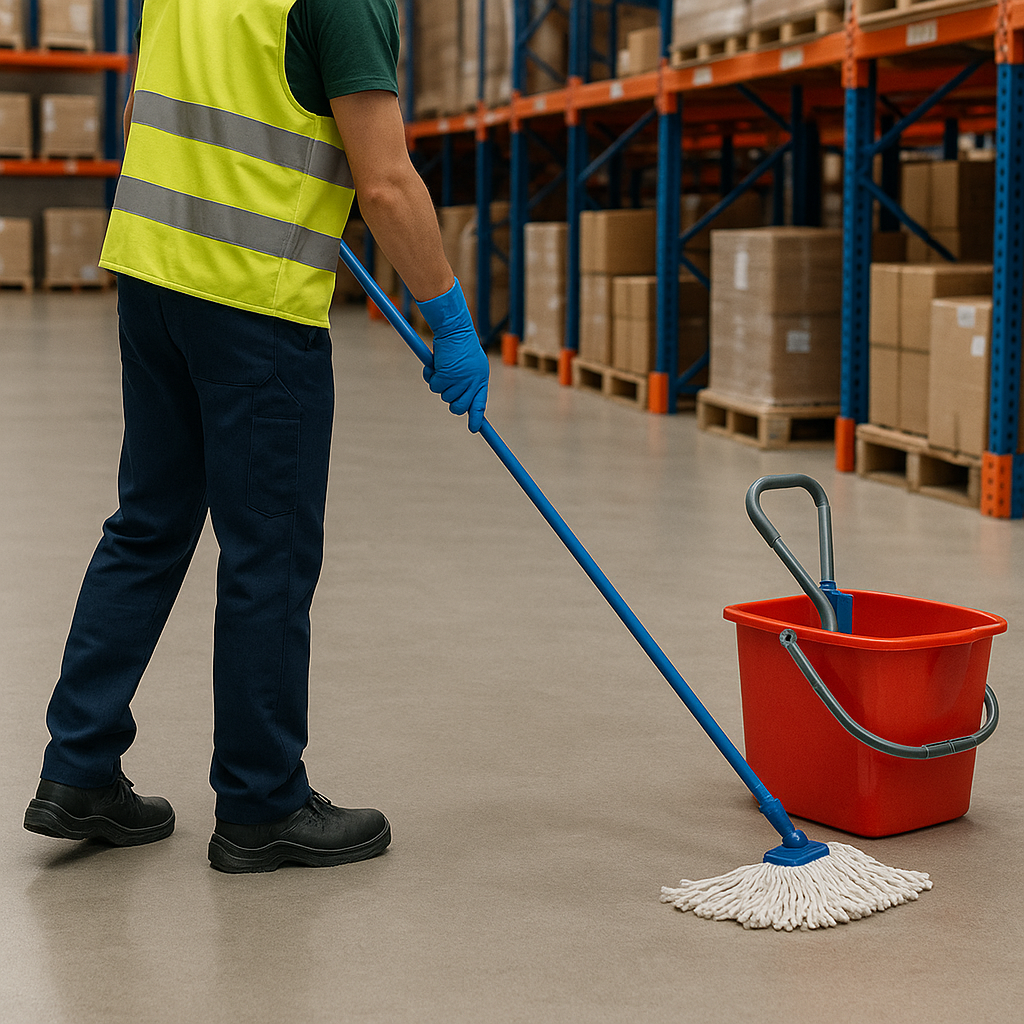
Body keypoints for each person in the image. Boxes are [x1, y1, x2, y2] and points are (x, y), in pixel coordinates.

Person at [23, 0, 489, 873]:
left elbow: (148, 118)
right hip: (253, 305)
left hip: (154, 277)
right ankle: (261, 802)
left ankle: (77, 769)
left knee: (148, 525)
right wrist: (448, 316)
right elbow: (385, 181)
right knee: (266, 551)